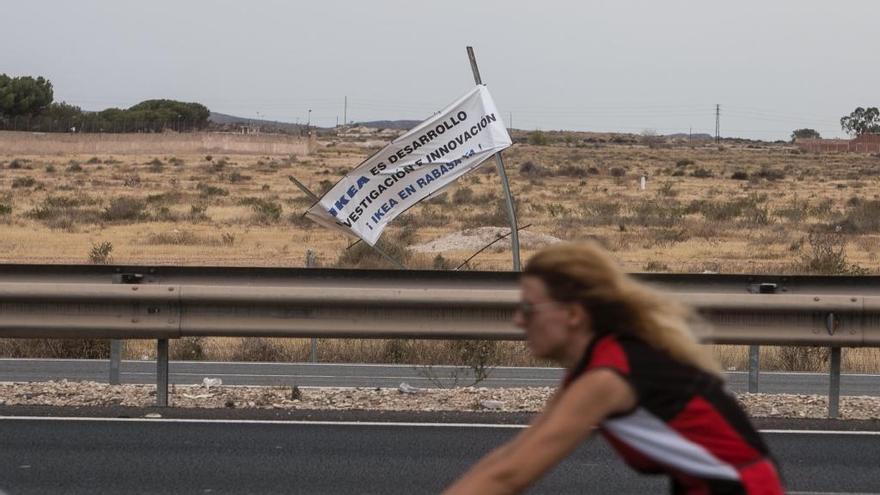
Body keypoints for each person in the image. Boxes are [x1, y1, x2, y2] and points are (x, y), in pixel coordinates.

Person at [444, 242, 784, 494]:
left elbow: (511, 475)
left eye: (529, 308)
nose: (518, 320)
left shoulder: (606, 377)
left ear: (574, 314)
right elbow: (512, 454)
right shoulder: (596, 363)